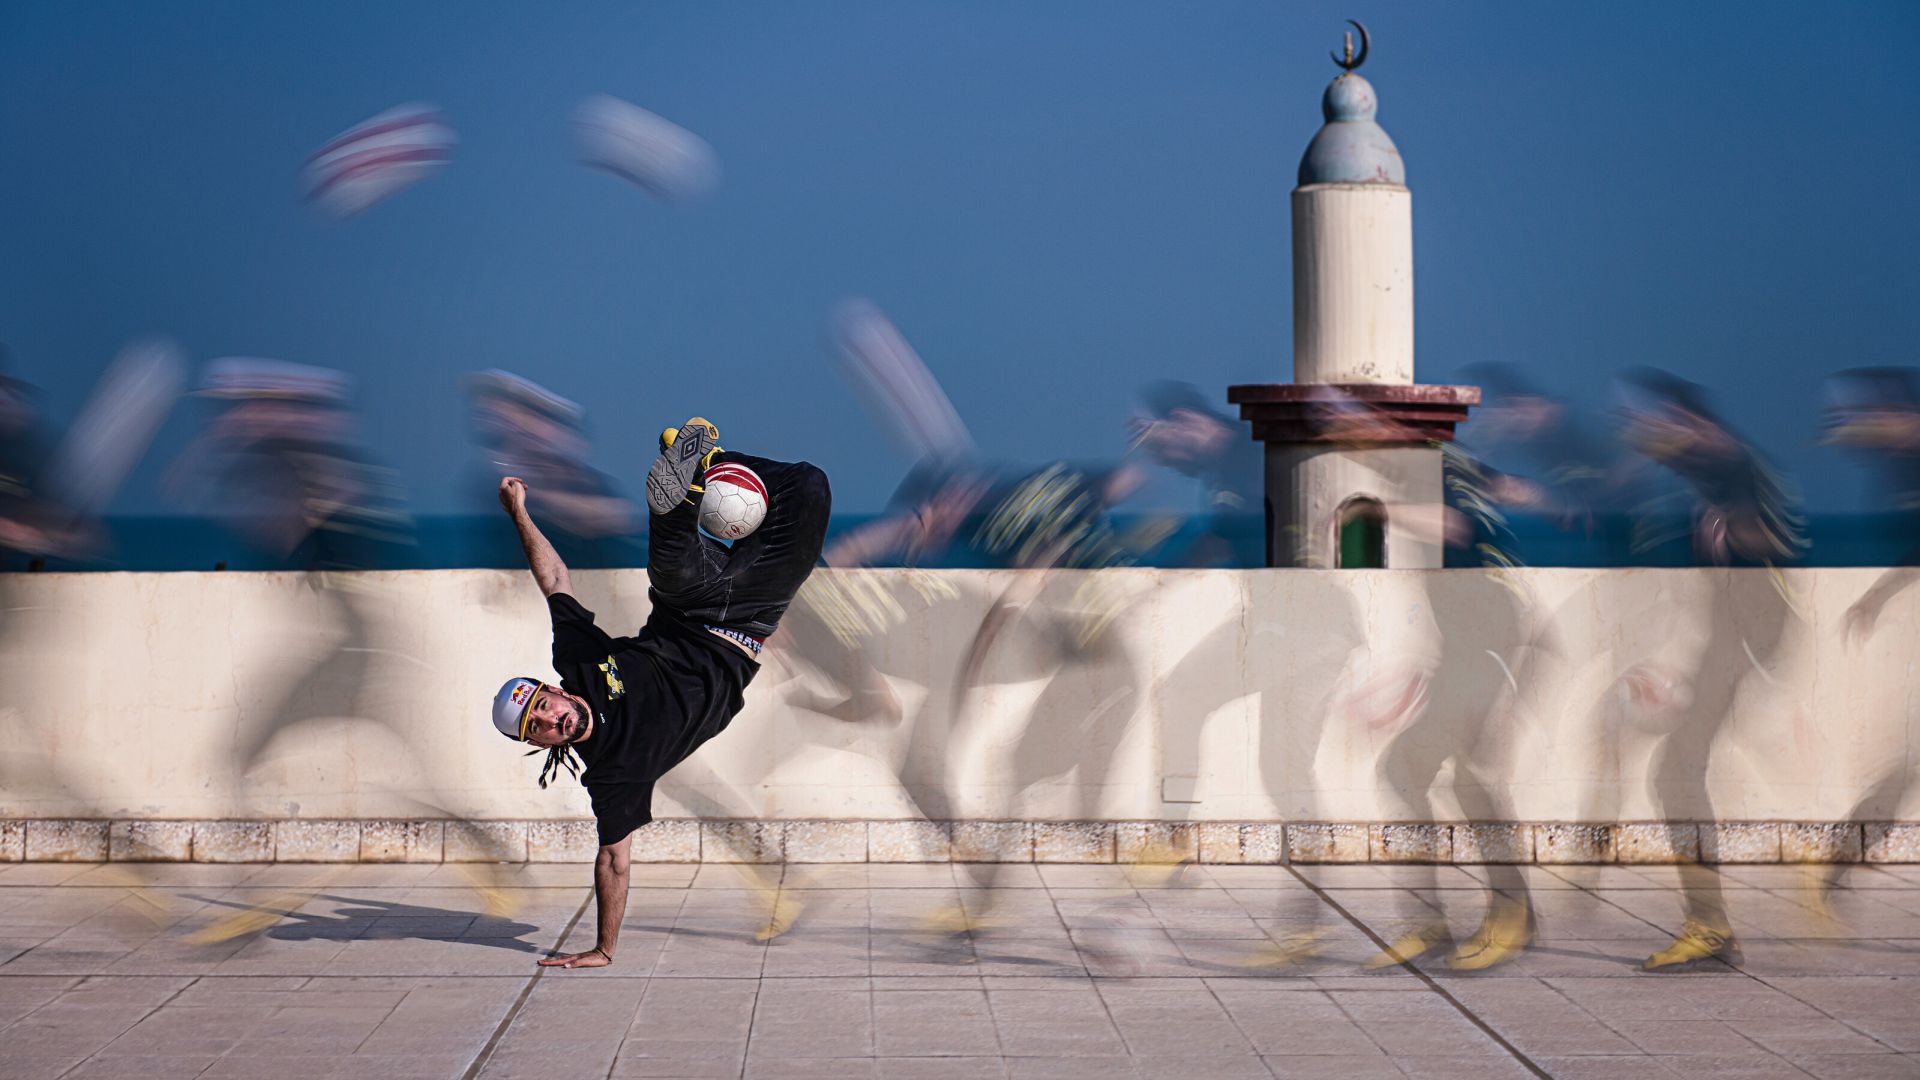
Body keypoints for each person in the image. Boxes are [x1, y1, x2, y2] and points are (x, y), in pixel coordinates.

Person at [491, 418, 830, 969]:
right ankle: (702, 473)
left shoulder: (578, 661)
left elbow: (554, 580)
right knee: (810, 486)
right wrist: (605, 947)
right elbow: (613, 861)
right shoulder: (612, 773)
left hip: (688, 604)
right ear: (543, 742)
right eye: (539, 726)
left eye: (542, 705)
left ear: (551, 689)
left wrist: (519, 514)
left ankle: (697, 472)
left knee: (672, 561)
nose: (551, 718)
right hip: (751, 619)